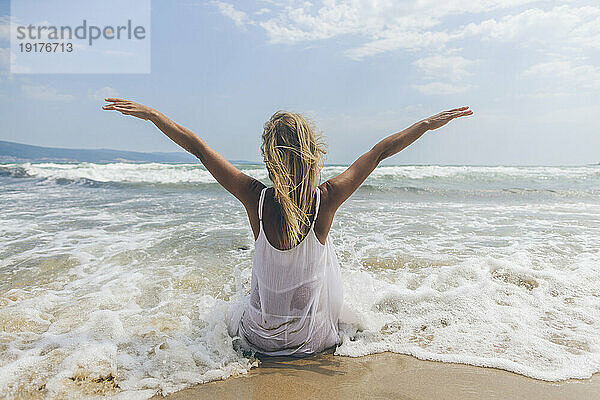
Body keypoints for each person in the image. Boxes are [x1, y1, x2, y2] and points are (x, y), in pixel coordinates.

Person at [102, 99, 473, 356]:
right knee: (341, 304)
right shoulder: (326, 198)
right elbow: (378, 153)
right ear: (312, 152)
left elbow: (199, 149)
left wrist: (153, 116)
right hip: (312, 341)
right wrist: (426, 124)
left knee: (238, 307)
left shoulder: (255, 198)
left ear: (268, 157)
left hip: (258, 340)